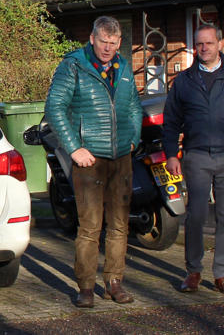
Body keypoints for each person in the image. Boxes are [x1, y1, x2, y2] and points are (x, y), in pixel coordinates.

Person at [44, 16, 142, 308]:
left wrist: (133, 138)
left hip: (121, 157)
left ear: (120, 43)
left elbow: (134, 106)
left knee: (120, 225)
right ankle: (85, 287)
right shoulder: (73, 65)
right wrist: (74, 148)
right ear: (92, 38)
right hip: (89, 160)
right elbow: (55, 106)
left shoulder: (123, 67)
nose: (108, 48)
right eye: (103, 42)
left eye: (113, 43)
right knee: (89, 227)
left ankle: (114, 283)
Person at [163, 24, 224, 296]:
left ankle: (222, 274)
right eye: (199, 44)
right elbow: (171, 122)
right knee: (195, 216)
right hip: (196, 156)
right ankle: (193, 271)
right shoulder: (184, 81)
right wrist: (172, 154)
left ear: (220, 44)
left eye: (208, 43)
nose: (203, 48)